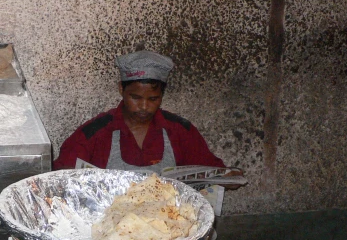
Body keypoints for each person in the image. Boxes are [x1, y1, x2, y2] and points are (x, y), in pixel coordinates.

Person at [53, 50, 226, 173]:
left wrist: (228, 176)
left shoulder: (180, 130)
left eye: (153, 99)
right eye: (136, 98)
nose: (144, 106)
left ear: (161, 95)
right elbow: (62, 172)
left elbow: (210, 167)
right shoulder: (95, 133)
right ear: (122, 89)